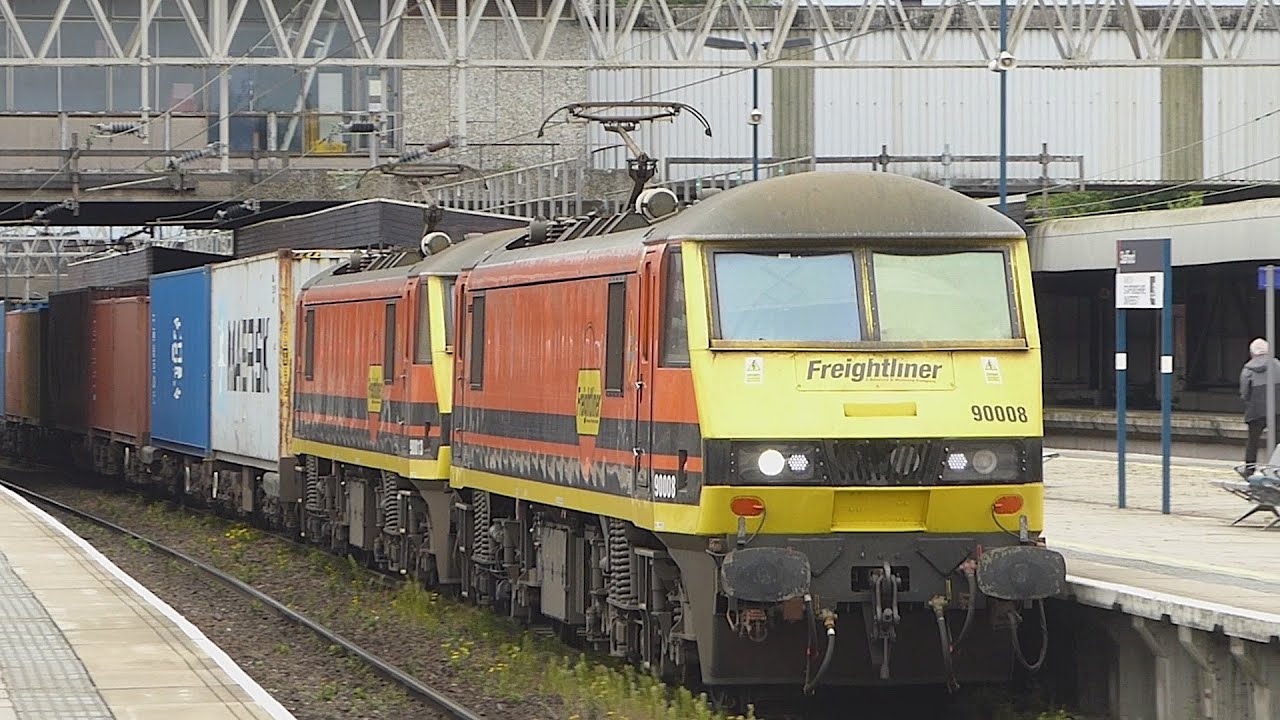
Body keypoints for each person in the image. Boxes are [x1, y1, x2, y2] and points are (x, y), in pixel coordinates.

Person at [1239, 337, 1280, 476]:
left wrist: (1249, 401)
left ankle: (1249, 469)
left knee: (1252, 441)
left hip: (1255, 409)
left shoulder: (1247, 369)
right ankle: (1276, 468)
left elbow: (1244, 391)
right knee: (1278, 440)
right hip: (1277, 408)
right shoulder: (1276, 364)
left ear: (1252, 353)